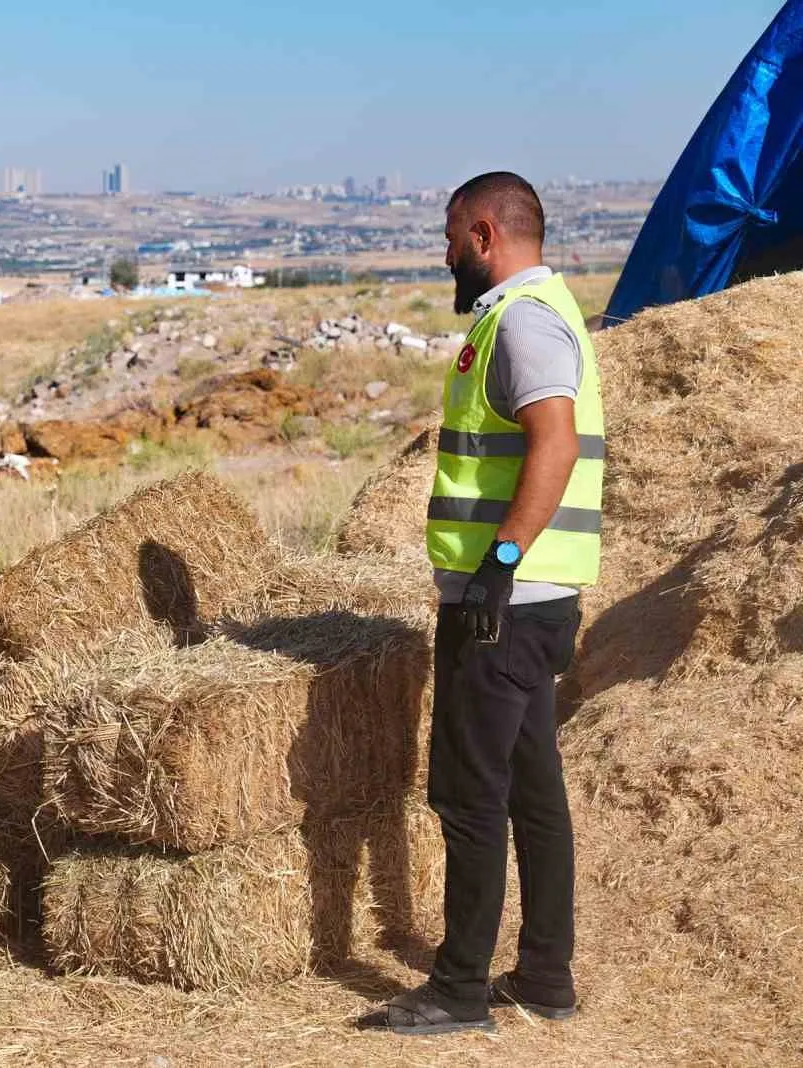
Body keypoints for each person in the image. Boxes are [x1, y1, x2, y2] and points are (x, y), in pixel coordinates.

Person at [361, 172, 605, 1035]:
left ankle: (459, 989)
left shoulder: (526, 322)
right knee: (533, 791)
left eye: (450, 237)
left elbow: (556, 440)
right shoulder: (535, 313)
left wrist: (500, 560)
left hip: (503, 605)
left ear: (482, 233)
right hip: (531, 603)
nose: (446, 254)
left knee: (468, 796)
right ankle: (544, 976)